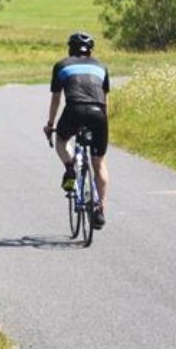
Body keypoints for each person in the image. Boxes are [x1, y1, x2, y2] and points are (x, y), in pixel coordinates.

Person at [44, 31, 110, 229]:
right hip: (99, 113)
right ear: (90, 50)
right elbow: (105, 100)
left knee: (62, 141)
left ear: (70, 49)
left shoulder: (62, 65)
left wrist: (50, 124)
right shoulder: (101, 67)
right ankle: (100, 210)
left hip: (74, 109)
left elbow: (56, 99)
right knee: (99, 163)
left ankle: (70, 168)